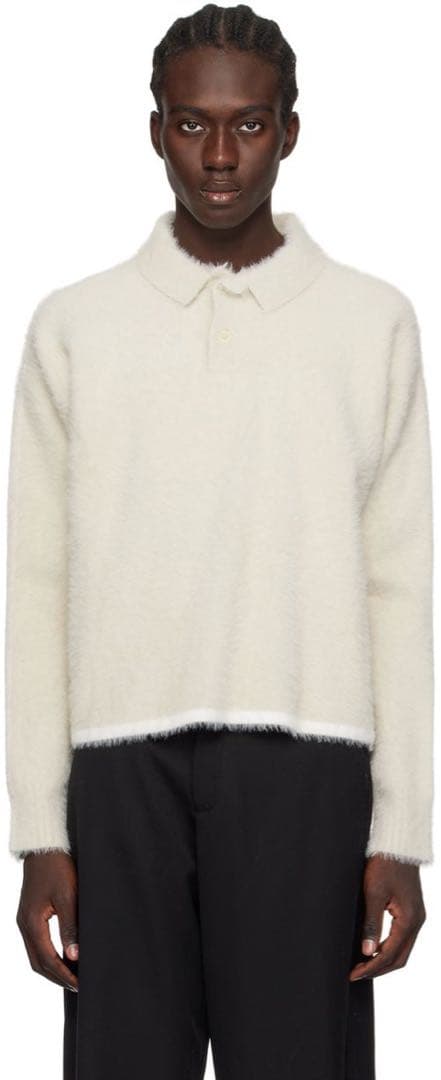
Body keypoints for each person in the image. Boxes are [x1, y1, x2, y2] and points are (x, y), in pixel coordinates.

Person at [5, 5, 434, 1078]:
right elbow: (35, 583)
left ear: (290, 130)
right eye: (193, 124)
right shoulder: (75, 328)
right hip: (119, 774)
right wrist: (39, 831)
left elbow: (399, 586)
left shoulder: (370, 324)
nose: (220, 156)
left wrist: (402, 834)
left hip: (308, 769)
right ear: (155, 129)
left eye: (247, 125)